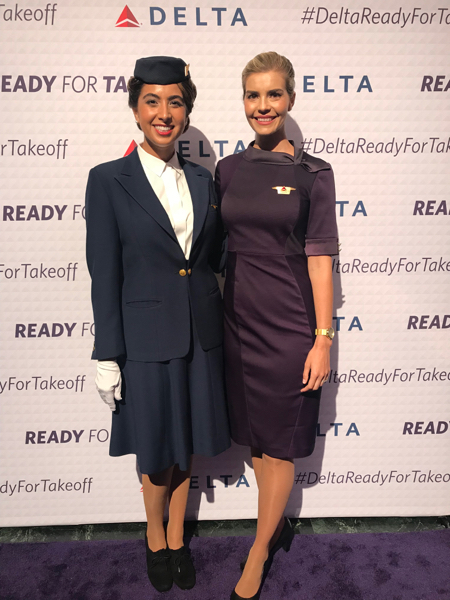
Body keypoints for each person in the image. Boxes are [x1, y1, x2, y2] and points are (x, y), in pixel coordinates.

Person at [85, 56, 230, 594]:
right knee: (155, 445)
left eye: (175, 101)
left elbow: (215, 257)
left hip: (200, 333)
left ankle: (176, 532)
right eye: (152, 101)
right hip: (145, 338)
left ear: (186, 110)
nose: (164, 113)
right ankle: (154, 534)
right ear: (136, 109)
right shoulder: (107, 180)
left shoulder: (203, 178)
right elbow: (104, 274)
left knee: (185, 440)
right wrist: (106, 354)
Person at [215, 51, 338, 600]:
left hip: (291, 330)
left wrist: (323, 339)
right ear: (244, 101)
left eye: (273, 95)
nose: (262, 106)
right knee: (259, 444)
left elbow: (319, 260)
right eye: (252, 95)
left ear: (290, 99)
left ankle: (258, 550)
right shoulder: (228, 170)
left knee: (281, 445)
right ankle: (275, 525)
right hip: (237, 324)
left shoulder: (314, 174)